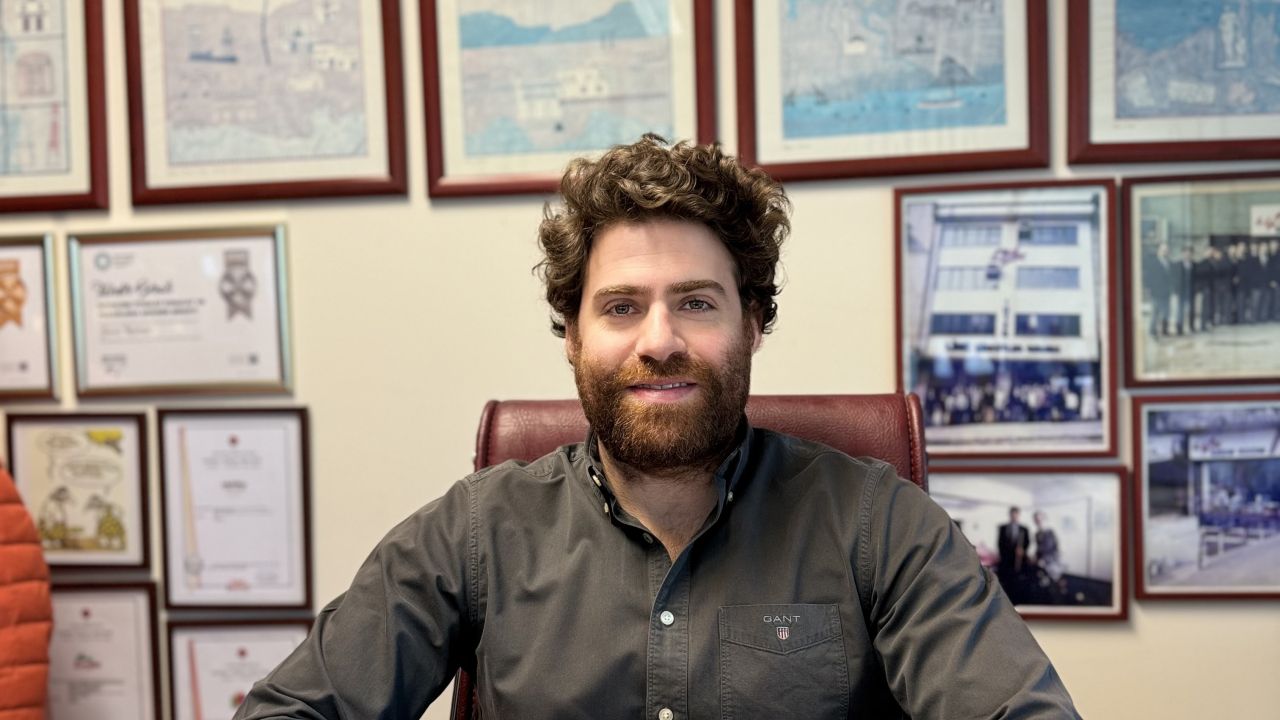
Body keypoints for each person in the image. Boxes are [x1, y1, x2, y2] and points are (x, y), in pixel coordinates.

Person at [234, 136, 1078, 719]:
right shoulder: (476, 533)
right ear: (572, 337)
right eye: (621, 307)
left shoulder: (879, 525)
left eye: (697, 303)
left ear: (753, 325)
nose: (659, 340)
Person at [997, 505, 1032, 599]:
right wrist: (1003, 556)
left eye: (1016, 515)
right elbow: (1000, 544)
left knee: (1019, 581)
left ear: (1018, 515)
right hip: (1006, 561)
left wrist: (1022, 550)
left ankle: (1018, 598)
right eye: (1012, 515)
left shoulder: (1024, 529)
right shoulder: (1003, 528)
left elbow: (1028, 542)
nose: (1014, 517)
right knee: (1007, 582)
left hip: (1019, 561)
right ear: (1010, 515)